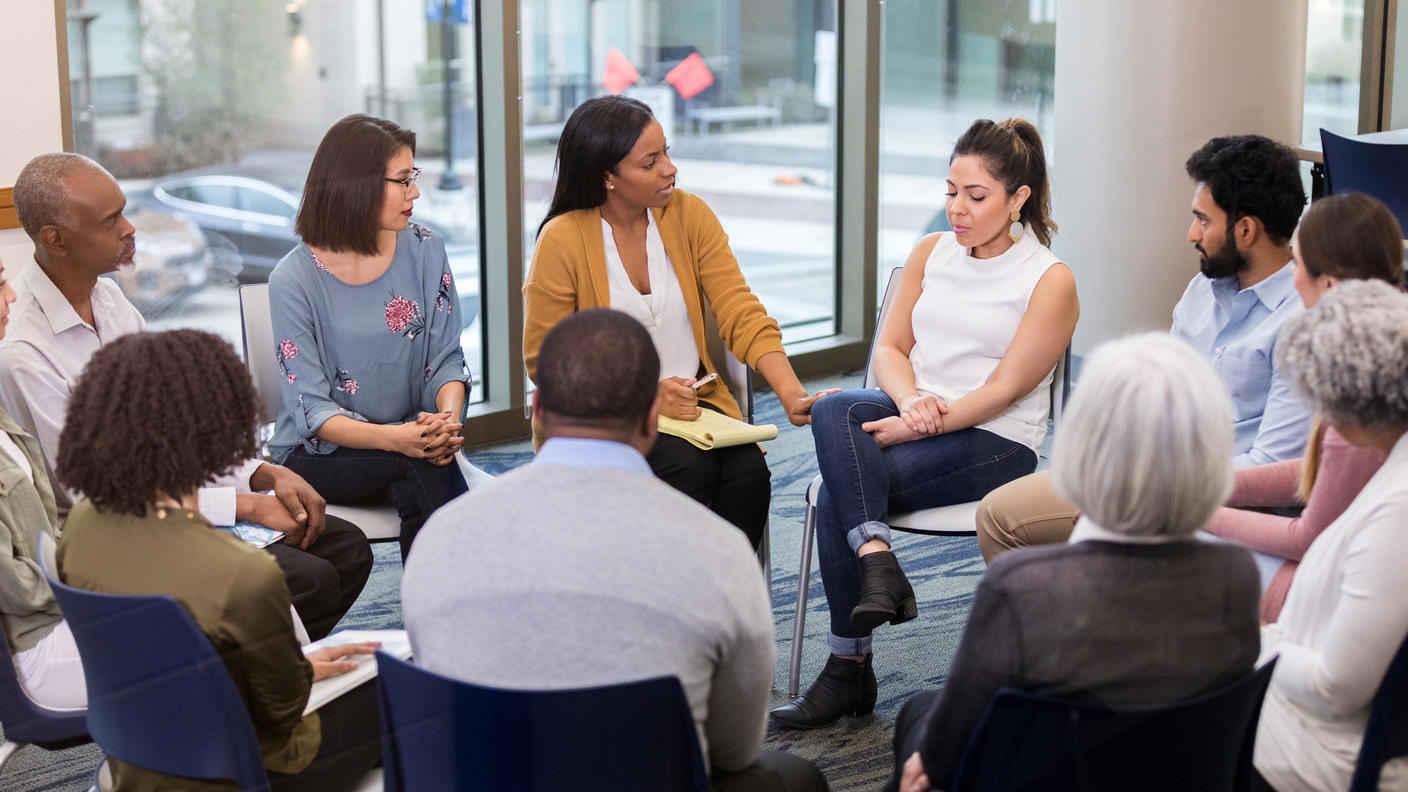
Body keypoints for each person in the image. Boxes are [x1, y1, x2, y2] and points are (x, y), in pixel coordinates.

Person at [403, 309, 829, 792]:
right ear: (653, 415)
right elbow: (732, 749)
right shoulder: (719, 552)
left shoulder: (443, 533)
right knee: (796, 777)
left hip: (481, 778)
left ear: (538, 408)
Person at [770, 118, 1079, 730]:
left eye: (976, 196)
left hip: (996, 440)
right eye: (951, 191)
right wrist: (911, 403)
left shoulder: (1049, 279)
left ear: (1018, 199)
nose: (957, 209)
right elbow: (889, 350)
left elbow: (1007, 389)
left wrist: (919, 427)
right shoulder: (929, 252)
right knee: (836, 406)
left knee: (839, 493)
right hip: (922, 407)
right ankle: (877, 553)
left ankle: (847, 669)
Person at [1, 152, 371, 641]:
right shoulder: (22, 351)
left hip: (178, 503)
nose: (130, 228)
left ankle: (256, 671)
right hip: (121, 536)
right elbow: (95, 495)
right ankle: (239, 683)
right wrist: (241, 506)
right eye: (111, 220)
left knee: (345, 548)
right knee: (308, 580)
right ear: (55, 239)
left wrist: (260, 473)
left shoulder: (110, 301)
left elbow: (170, 433)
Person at [890, 333, 1261, 792]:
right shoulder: (1237, 574)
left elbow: (947, 757)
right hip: (1171, 775)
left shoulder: (1024, 586)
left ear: (1083, 448)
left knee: (918, 713)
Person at [55, 329, 383, 792]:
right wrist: (297, 673)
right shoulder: (244, 575)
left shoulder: (81, 527)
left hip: (138, 758)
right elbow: (284, 711)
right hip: (239, 773)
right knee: (403, 691)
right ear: (218, 428)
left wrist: (299, 666)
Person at [975, 134, 1311, 563]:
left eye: (1203, 221)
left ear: (1246, 230)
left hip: (1228, 505)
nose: (1192, 233)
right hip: (1153, 474)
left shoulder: (1304, 325)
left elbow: (1273, 469)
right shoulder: (1203, 289)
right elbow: (1158, 404)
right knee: (998, 515)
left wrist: (1144, 494)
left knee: (1105, 546)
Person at [523, 95, 836, 550]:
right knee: (688, 468)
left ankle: (723, 607)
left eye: (666, 152)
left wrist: (792, 394)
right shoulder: (563, 239)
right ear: (607, 176)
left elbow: (740, 310)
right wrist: (646, 396)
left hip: (695, 408)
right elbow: (544, 360)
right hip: (608, 418)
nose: (669, 169)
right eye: (650, 162)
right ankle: (669, 605)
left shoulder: (689, 215)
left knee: (748, 472)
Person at [270, 114, 470, 559]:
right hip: (318, 457)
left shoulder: (425, 249)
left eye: (412, 178)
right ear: (356, 185)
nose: (415, 192)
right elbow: (312, 411)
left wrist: (445, 424)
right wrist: (399, 439)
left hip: (414, 441)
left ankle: (446, 605)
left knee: (422, 466)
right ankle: (458, 602)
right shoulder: (294, 279)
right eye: (403, 180)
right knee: (417, 465)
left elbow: (446, 360)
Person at [1203, 193, 1402, 622]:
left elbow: (1309, 536)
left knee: (1154, 546)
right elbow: (1318, 471)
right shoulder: (1382, 350)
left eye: (1297, 263)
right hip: (1354, 566)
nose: (1292, 277)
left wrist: (1197, 510)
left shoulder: (1361, 388)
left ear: (1328, 284)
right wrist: (1204, 485)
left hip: (1334, 592)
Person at [1252, 281, 1408, 792]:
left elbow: (1336, 687)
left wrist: (1249, 638)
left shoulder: (1396, 516)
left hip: (1311, 752)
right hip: (1298, 708)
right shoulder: (1392, 461)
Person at [0, 252, 84, 711]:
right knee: (214, 640)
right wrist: (82, 580)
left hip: (60, 614)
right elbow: (11, 585)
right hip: (36, 648)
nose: (12, 294)